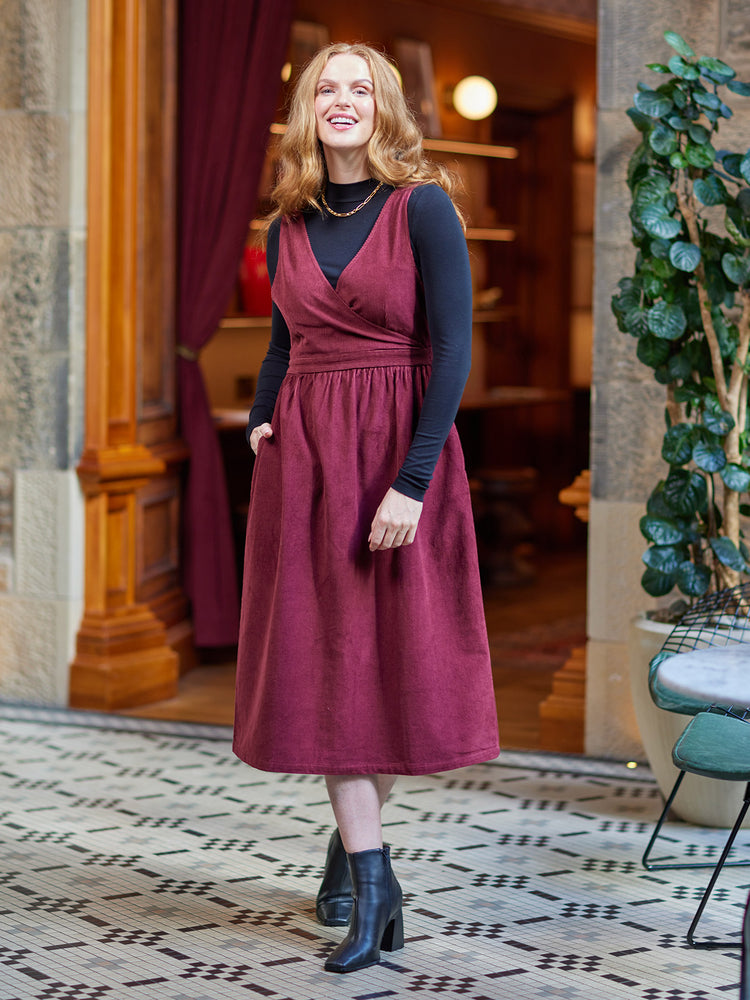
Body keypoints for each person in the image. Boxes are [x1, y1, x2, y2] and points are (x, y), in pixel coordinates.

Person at [233, 41, 499, 974]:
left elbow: (453, 350)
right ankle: (373, 871)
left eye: (360, 89)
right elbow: (282, 344)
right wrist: (262, 423)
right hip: (305, 468)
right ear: (306, 111)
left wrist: (414, 480)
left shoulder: (424, 208)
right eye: (325, 89)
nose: (341, 102)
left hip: (394, 456)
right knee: (325, 662)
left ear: (385, 108)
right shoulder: (288, 224)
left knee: (389, 664)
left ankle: (354, 850)